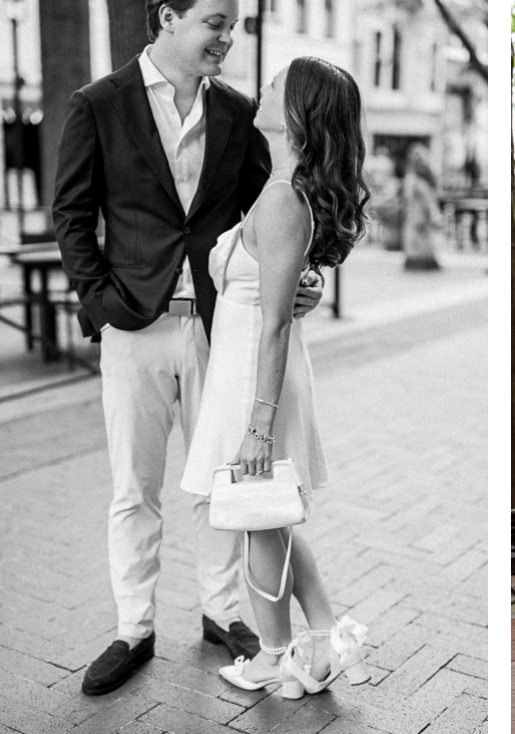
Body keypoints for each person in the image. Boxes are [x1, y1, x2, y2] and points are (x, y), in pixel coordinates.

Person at [52, 0, 321, 696]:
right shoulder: (98, 105)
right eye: (215, 22)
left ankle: (222, 611)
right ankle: (133, 628)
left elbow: (277, 210)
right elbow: (72, 215)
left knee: (221, 486)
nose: (228, 36)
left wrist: (308, 279)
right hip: (133, 327)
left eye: (233, 23)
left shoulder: (236, 113)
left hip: (217, 330)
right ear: (167, 17)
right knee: (133, 488)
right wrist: (100, 305)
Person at [179, 56, 371, 697]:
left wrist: (258, 422)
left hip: (259, 380)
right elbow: (271, 297)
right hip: (244, 371)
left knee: (257, 519)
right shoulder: (278, 187)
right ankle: (322, 639)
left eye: (275, 84)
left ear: (298, 113)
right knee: (269, 518)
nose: (260, 88)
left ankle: (273, 654)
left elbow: (275, 324)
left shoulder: (286, 200)